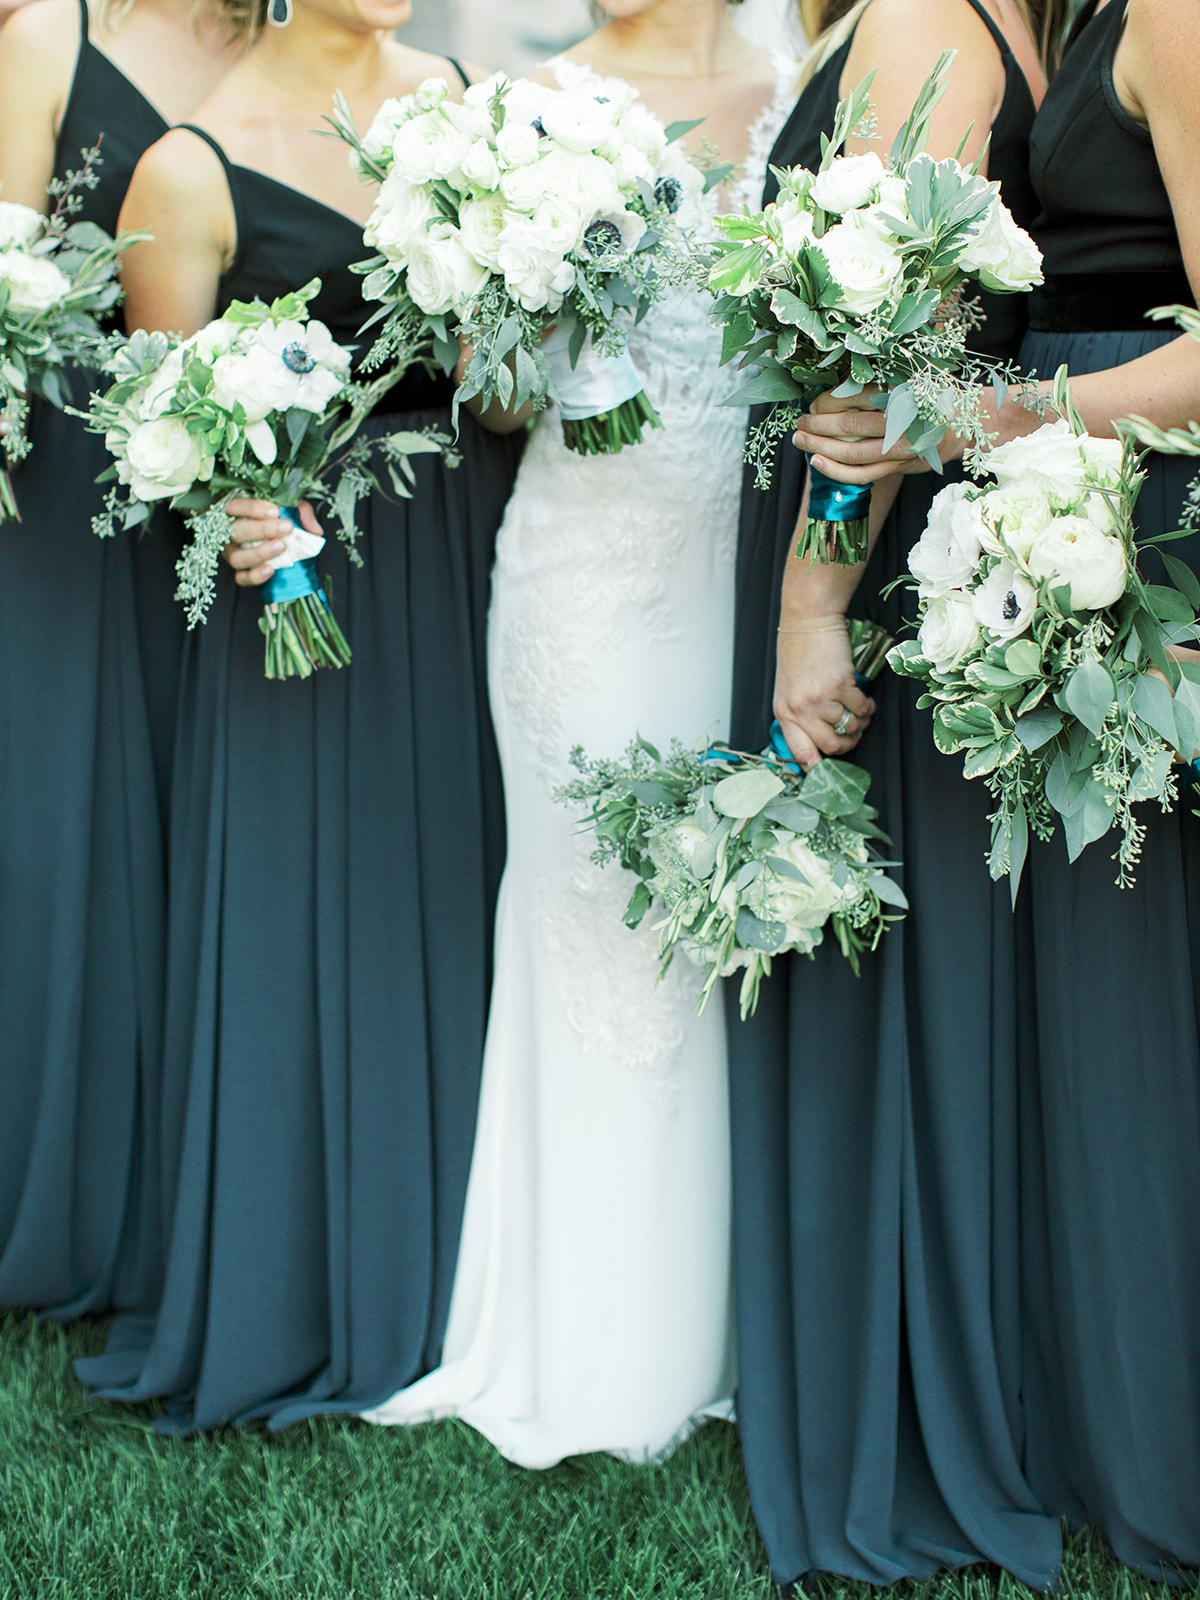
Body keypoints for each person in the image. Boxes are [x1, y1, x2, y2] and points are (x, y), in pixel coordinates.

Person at [791, 0, 1200, 1577]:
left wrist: (995, 416)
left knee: (1132, 1009)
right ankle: (1094, 1421)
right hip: (1054, 524)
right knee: (1097, 1017)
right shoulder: (1060, 19)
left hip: (1132, 524)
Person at [73, 0, 521, 1433]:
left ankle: (470, 1277)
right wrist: (238, 499)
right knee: (303, 915)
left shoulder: (465, 100)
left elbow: (505, 394)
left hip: (469, 565)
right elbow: (163, 440)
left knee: (453, 898)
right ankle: (296, 1286)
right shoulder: (187, 172)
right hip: (298, 607)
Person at [361, 0, 796, 1467]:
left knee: (744, 911)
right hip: (590, 568)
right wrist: (542, 313)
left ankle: (751, 1322)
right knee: (606, 923)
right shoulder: (523, 104)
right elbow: (486, 398)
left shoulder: (790, 80)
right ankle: (600, 1338)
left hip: (763, 558)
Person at [725, 0, 1070, 1587]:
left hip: (855, 550)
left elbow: (887, 358)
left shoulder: (929, 19)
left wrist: (809, 608)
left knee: (881, 968)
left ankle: (899, 1391)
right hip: (908, 525)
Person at [0, 0, 239, 1316]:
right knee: (57, 832)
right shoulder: (48, 35)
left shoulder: (282, 54)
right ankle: (50, 1192)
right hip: (61, 493)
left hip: (229, 494)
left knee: (175, 822)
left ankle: (167, 1193)